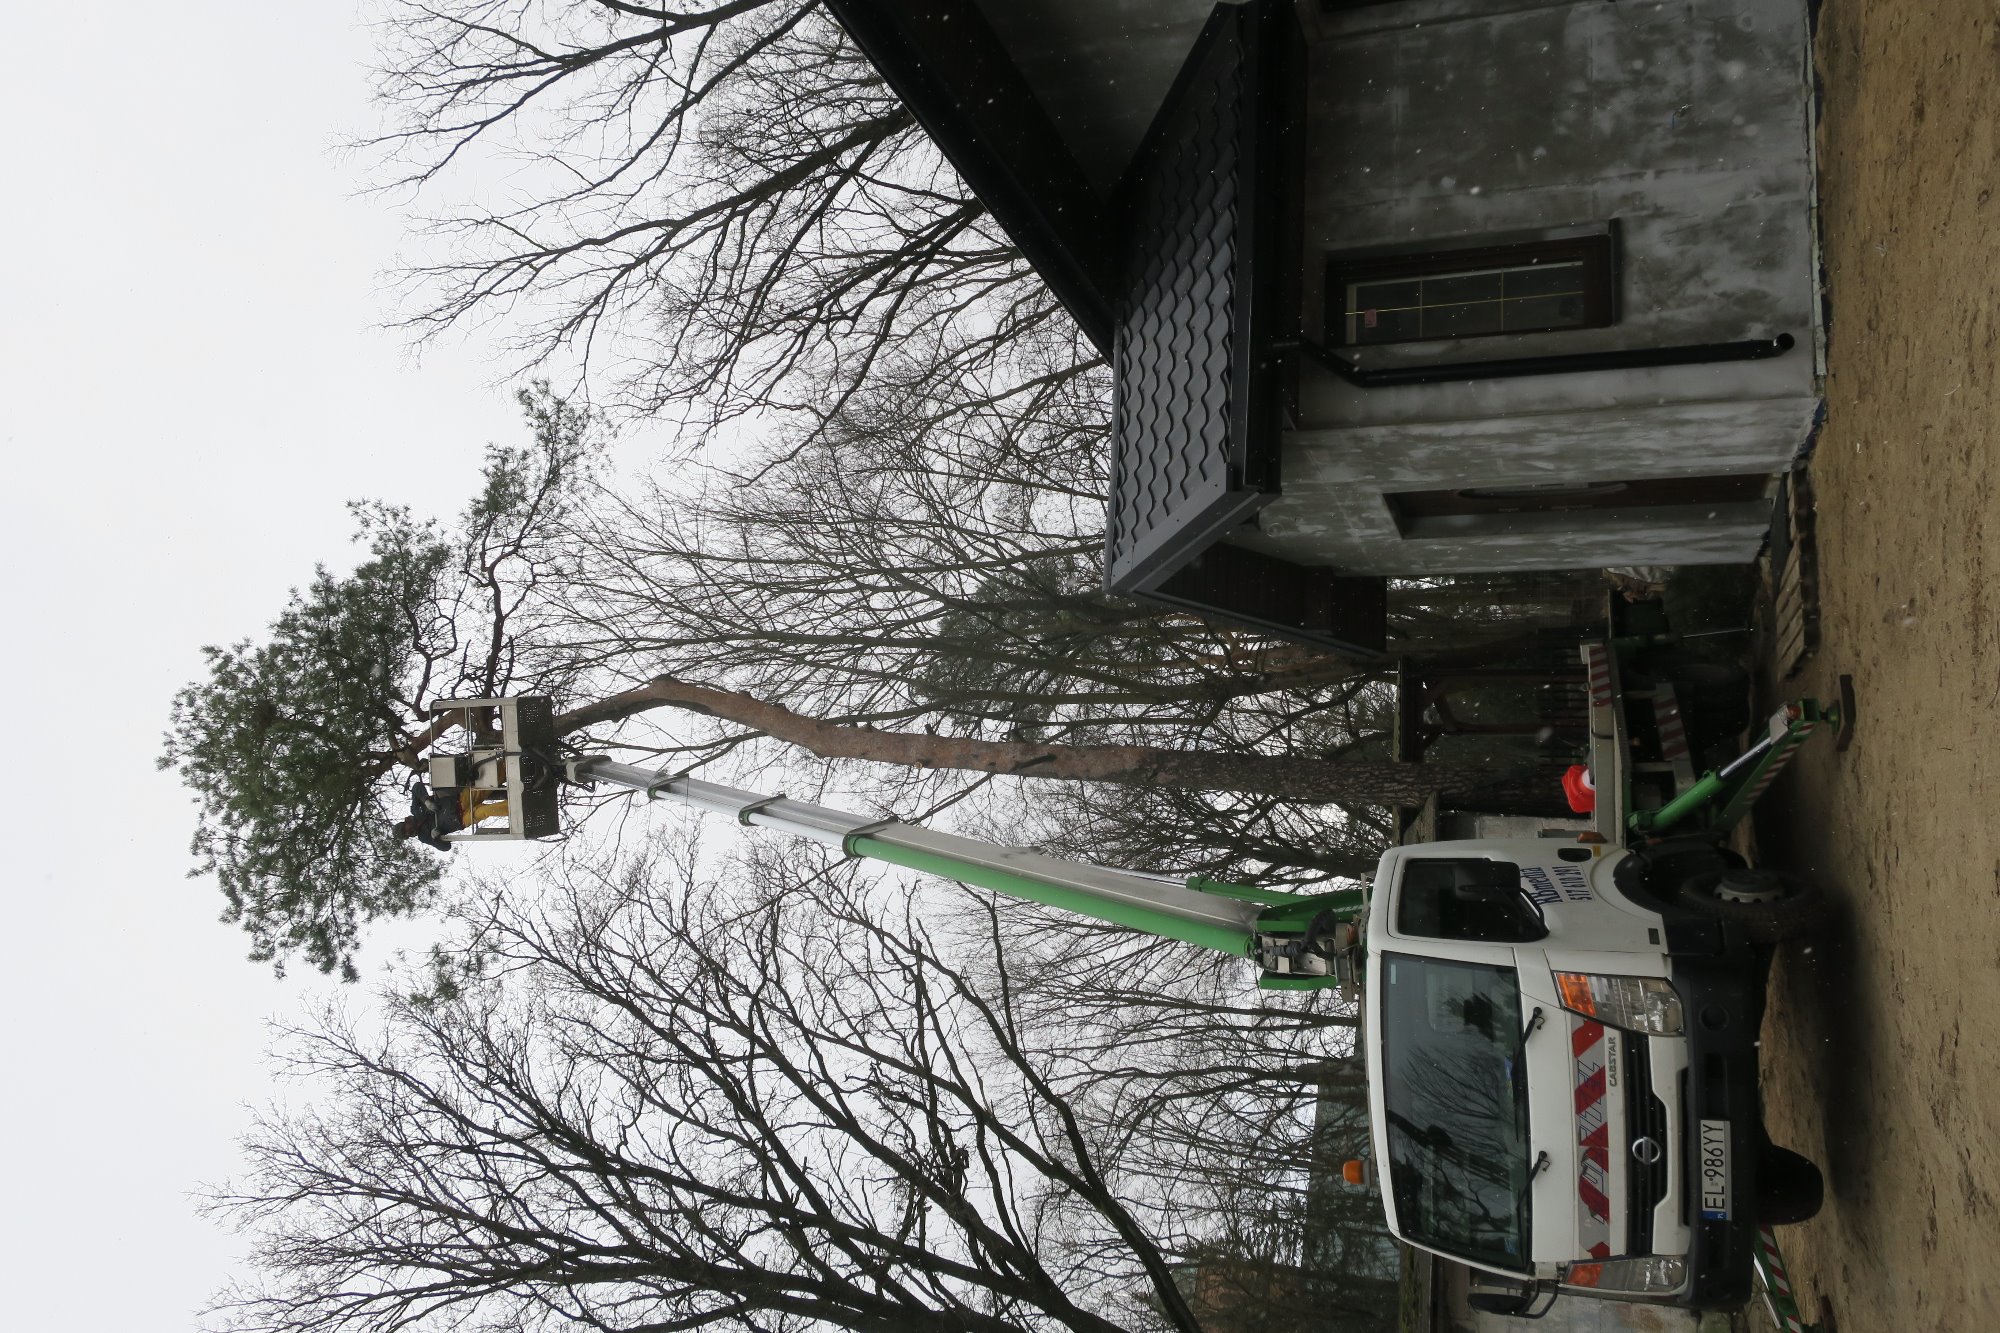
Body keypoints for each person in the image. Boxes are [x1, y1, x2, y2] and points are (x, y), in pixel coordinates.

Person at [394, 781, 509, 849]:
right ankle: (515, 803)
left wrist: (426, 801)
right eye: (407, 835)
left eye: (405, 830)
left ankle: (510, 762)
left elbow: (416, 787)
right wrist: (436, 838)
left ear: (406, 822)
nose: (409, 833)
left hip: (459, 802)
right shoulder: (424, 837)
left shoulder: (415, 809)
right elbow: (446, 847)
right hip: (462, 819)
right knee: (487, 811)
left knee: (484, 786)